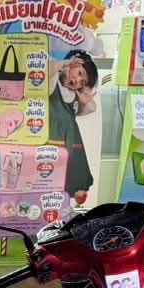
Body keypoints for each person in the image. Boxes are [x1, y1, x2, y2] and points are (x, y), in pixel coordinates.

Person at [48, 50, 98, 202]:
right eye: (80, 73)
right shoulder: (54, 80)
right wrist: (66, 63)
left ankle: (75, 189)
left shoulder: (75, 95)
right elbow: (47, 74)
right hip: (52, 135)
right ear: (74, 63)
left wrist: (85, 99)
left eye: (82, 82)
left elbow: (89, 109)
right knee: (50, 166)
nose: (77, 81)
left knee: (73, 164)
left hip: (72, 139)